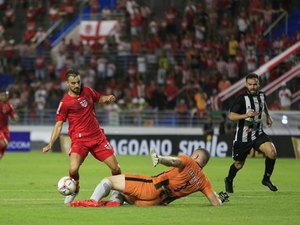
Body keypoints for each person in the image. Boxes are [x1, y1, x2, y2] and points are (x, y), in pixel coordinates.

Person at [42, 70, 121, 204]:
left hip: (97, 138)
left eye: (78, 82)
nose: (77, 85)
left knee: (115, 168)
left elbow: (99, 98)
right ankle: (75, 187)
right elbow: (59, 125)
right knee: (73, 169)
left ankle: (117, 191)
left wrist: (107, 98)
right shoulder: (65, 103)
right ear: (67, 84)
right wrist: (51, 143)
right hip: (79, 140)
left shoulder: (88, 91)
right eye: (73, 83)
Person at [70, 148, 229, 207]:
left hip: (152, 187)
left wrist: (160, 159)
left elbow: (174, 161)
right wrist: (220, 199)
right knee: (124, 192)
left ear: (195, 155)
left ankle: (92, 201)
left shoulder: (188, 161)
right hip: (155, 203)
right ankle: (114, 203)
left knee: (110, 180)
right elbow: (215, 203)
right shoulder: (204, 180)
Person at [224, 73, 278, 193]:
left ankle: (266, 179)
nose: (253, 87)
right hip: (243, 136)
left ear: (259, 84)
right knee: (239, 164)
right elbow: (231, 116)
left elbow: (263, 105)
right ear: (246, 85)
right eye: (250, 85)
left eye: (255, 84)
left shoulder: (262, 95)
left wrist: (268, 116)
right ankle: (229, 179)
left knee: (272, 152)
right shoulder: (241, 99)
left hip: (258, 133)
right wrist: (245, 115)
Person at [0, 88, 19, 159]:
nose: (4, 96)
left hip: (5, 128)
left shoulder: (8, 105)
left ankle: (1, 154)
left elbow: (12, 114)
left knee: (5, 144)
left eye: (5, 95)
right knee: (2, 142)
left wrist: (15, 117)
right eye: (2, 95)